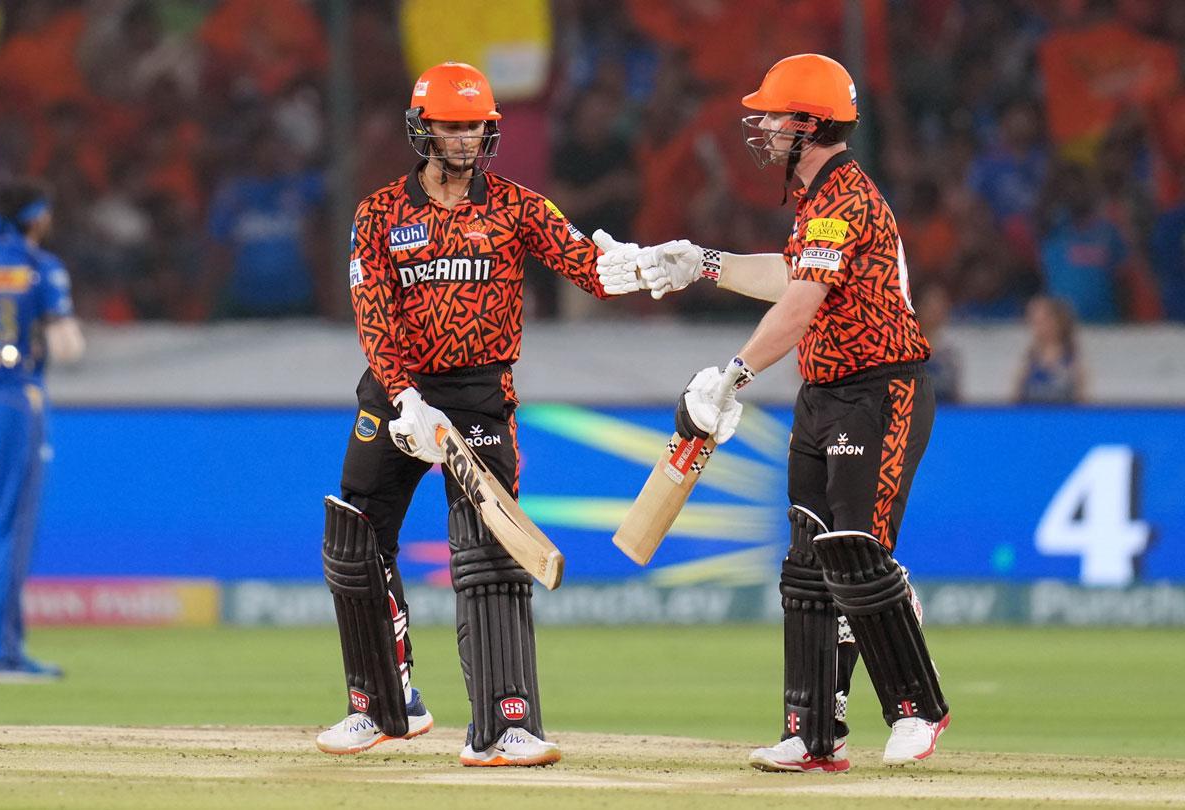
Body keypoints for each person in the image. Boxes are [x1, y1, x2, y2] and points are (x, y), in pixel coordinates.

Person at [598, 54, 949, 771]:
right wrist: (703, 261)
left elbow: (799, 306)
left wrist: (736, 374)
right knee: (808, 562)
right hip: (824, 395)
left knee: (855, 553)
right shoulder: (815, 200)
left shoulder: (846, 196)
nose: (758, 125)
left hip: (882, 393)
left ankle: (917, 708)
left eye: (773, 115)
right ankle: (813, 732)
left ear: (811, 123)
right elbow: (792, 275)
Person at [316, 61, 628, 766]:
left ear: (489, 131)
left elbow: (590, 270)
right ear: (423, 128)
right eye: (449, 126)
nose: (461, 139)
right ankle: (382, 706)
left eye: (473, 127)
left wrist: (641, 263)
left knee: (489, 557)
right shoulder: (378, 214)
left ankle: (505, 724)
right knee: (354, 538)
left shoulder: (519, 206)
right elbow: (374, 319)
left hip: (480, 396)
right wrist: (404, 400)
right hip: (398, 393)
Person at [0, 178, 85, 680]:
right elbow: (69, 348)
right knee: (8, 526)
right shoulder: (40, 268)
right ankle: (2, 651)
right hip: (10, 404)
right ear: (38, 217)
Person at [1013, 295, 1087, 404]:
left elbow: (1082, 401)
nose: (1036, 327)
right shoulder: (1029, 361)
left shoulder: (1073, 362)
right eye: (1034, 322)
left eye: (1042, 321)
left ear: (1057, 322)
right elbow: (1015, 398)